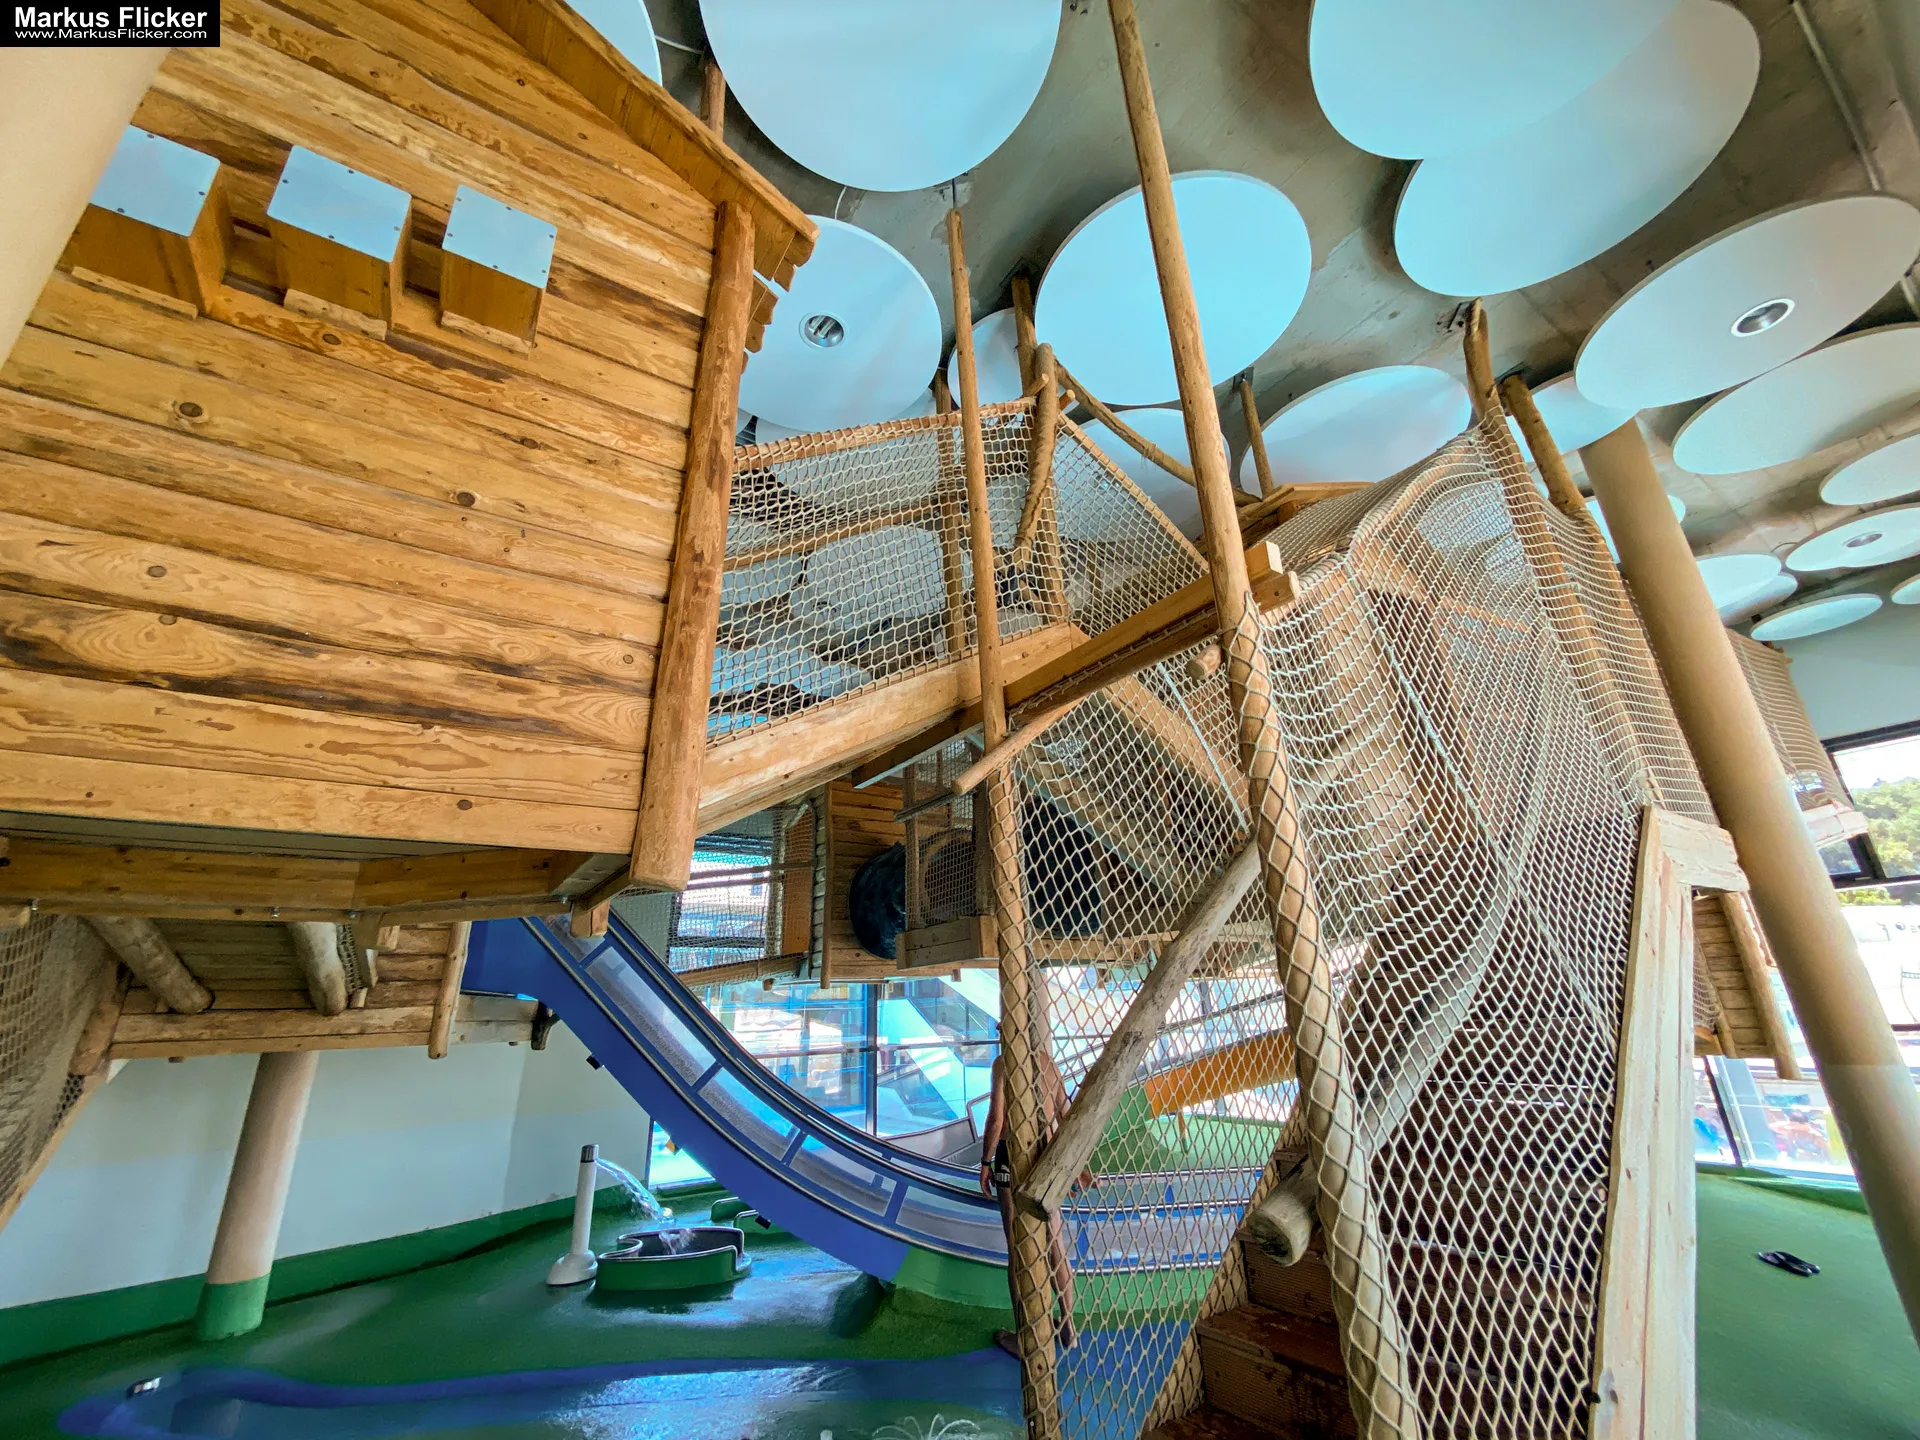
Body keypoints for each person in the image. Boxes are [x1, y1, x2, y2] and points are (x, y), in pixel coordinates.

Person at [978, 1049, 1089, 1356]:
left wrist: (985, 1162)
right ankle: (1068, 1326)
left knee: (1017, 1249)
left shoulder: (1003, 1062)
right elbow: (1066, 1113)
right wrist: (1073, 1164)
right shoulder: (1048, 1062)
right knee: (1055, 1244)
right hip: (1045, 1157)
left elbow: (996, 1119)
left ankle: (1025, 1338)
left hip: (1012, 1157)